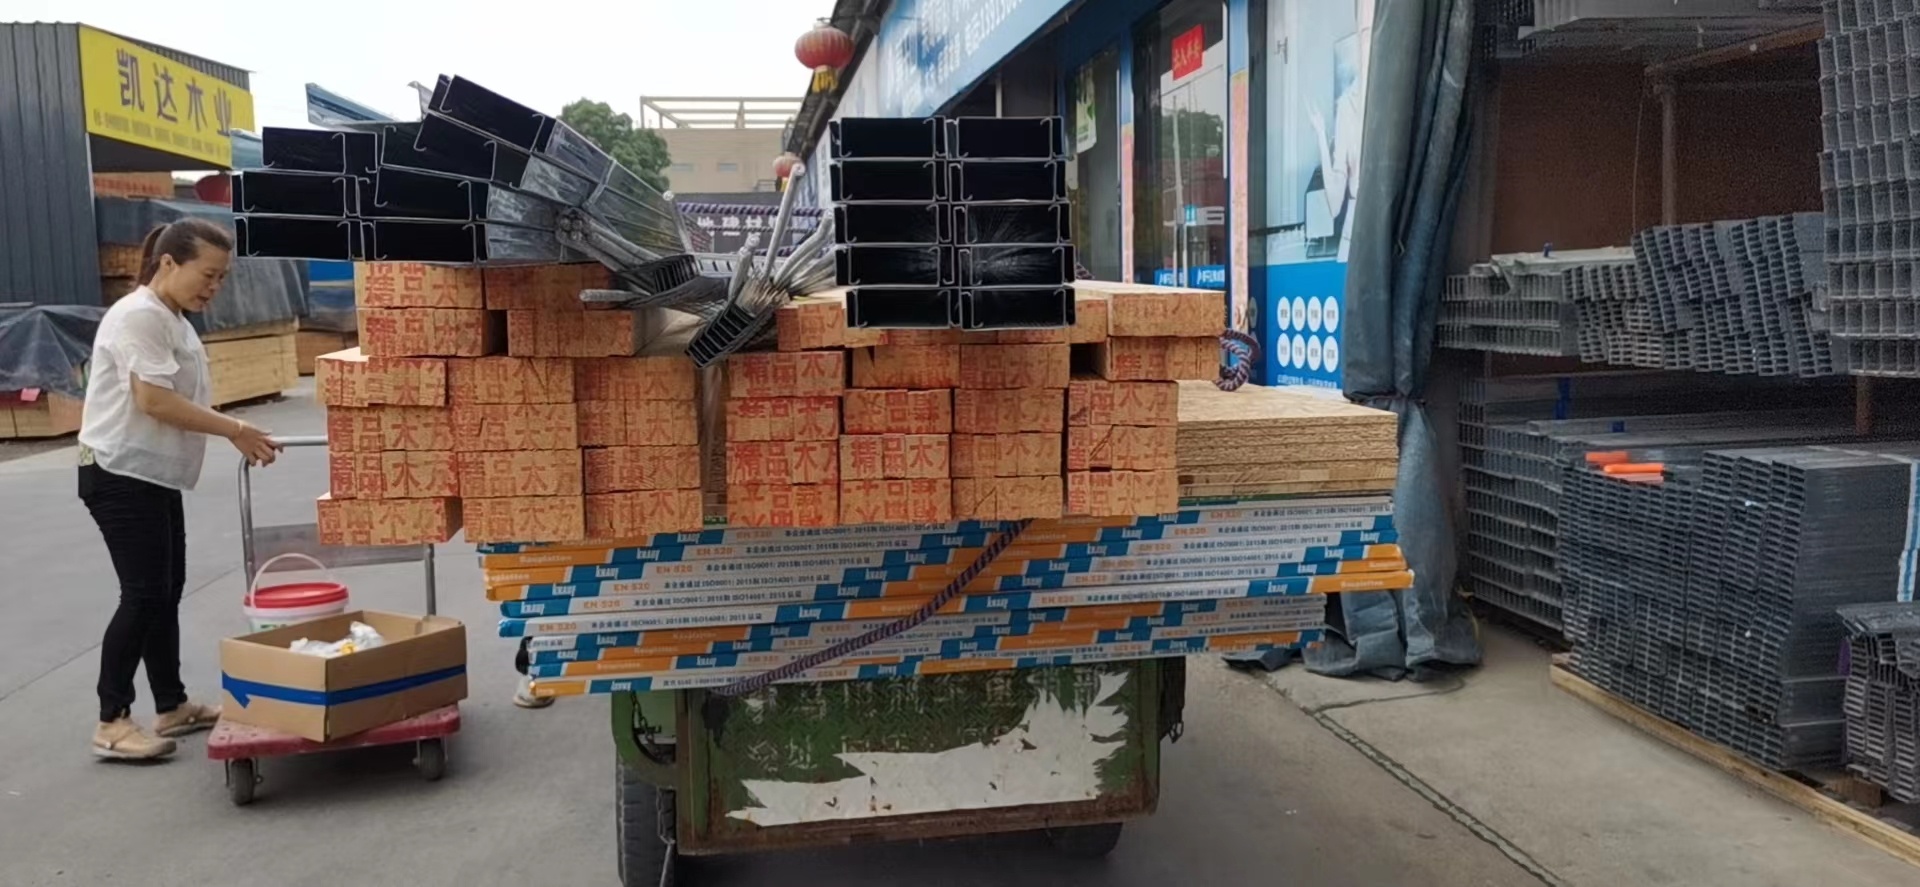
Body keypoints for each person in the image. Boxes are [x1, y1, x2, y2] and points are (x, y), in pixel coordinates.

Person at [79, 218, 282, 761]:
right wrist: (235, 428)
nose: (213, 287)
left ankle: (171, 705)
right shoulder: (139, 315)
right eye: (207, 275)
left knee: (165, 590)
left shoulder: (171, 316)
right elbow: (154, 400)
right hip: (119, 472)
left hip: (153, 474)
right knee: (143, 593)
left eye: (221, 278)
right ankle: (111, 720)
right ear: (168, 262)